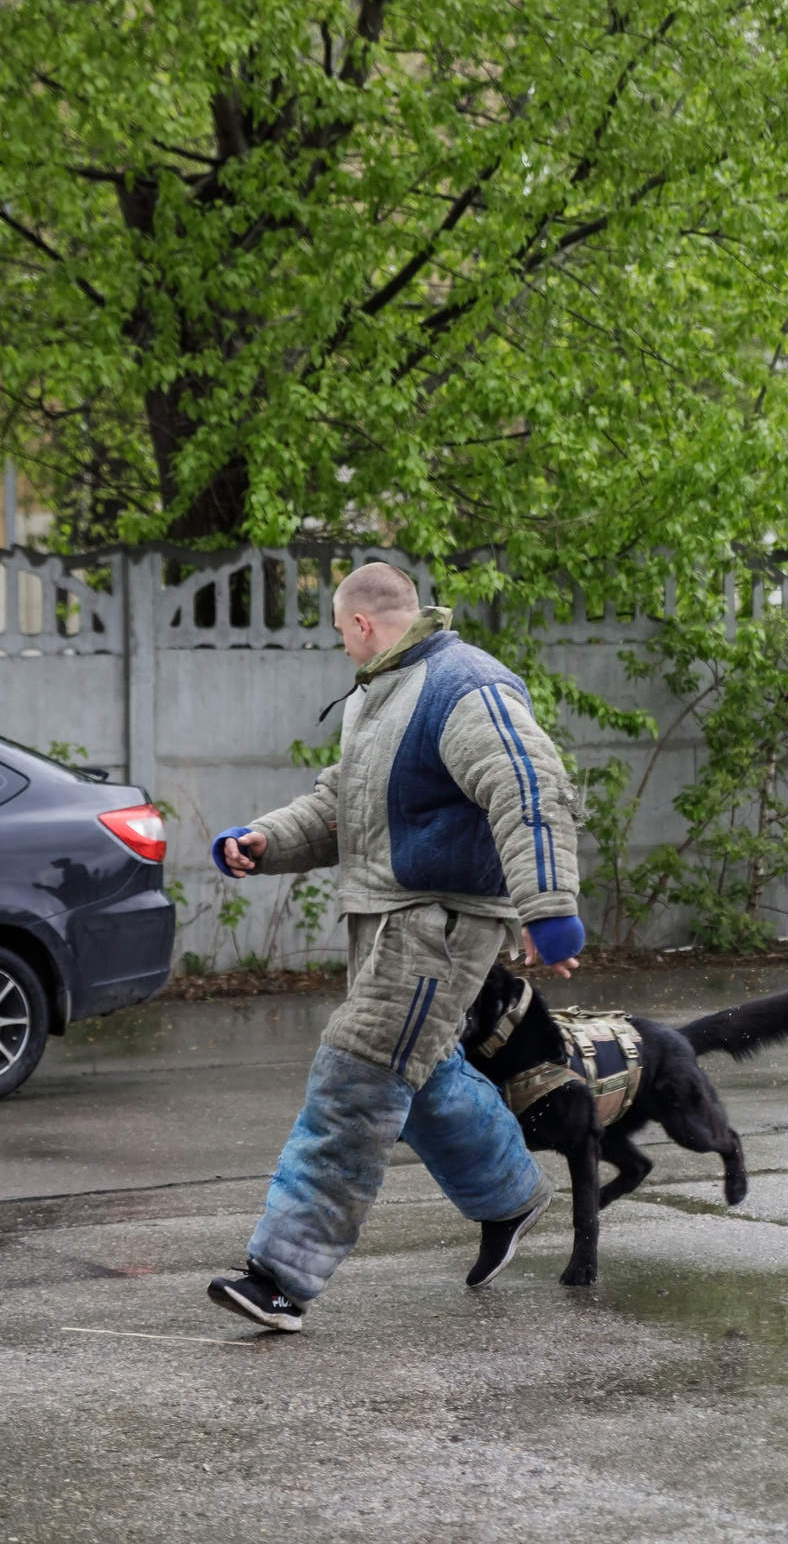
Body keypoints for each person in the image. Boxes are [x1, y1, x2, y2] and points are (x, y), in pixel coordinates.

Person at [201, 562, 585, 1332]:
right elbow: (340, 803)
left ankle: (281, 1275)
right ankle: (512, 1196)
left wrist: (549, 907)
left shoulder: (462, 685)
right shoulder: (382, 695)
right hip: (387, 921)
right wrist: (264, 840)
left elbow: (528, 784)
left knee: (357, 1079)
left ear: (364, 625)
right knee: (426, 1075)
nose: (341, 646)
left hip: (436, 927)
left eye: (341, 632)